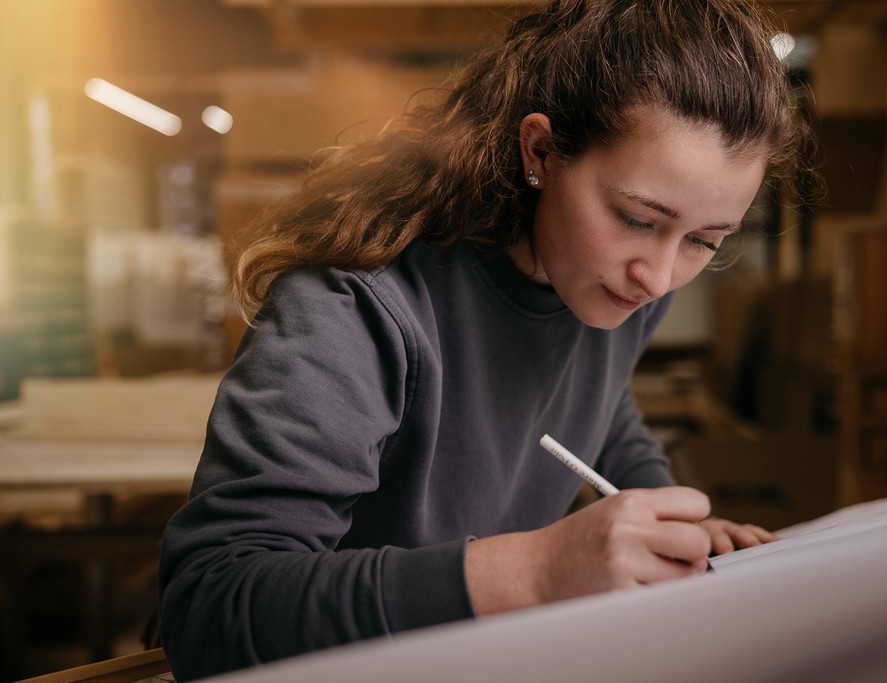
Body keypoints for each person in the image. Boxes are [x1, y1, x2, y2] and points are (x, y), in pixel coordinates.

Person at [158, 0, 806, 679]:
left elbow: (599, 405)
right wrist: (534, 572)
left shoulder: (614, 285)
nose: (660, 276)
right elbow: (210, 608)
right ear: (540, 152)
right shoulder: (359, 304)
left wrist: (660, 516)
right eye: (636, 218)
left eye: (705, 240)